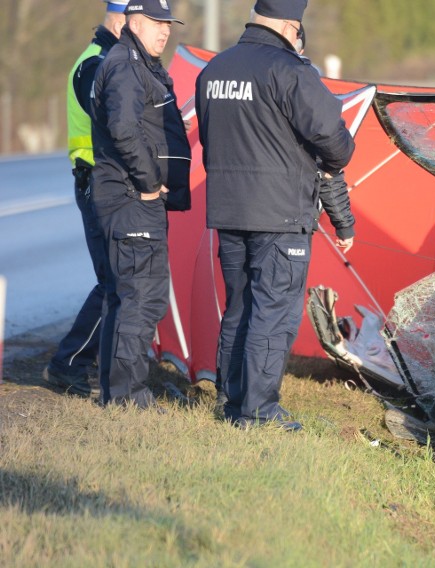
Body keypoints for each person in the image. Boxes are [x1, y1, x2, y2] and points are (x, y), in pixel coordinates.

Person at [195, 0, 355, 430]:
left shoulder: (214, 71)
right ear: (291, 26)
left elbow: (210, 142)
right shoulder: (291, 71)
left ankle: (231, 401)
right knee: (273, 313)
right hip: (280, 214)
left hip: (228, 210)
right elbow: (335, 143)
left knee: (240, 308)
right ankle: (260, 411)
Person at [90, 0, 191, 408]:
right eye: (155, 22)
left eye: (168, 23)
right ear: (132, 20)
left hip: (131, 197)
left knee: (129, 296)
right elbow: (122, 128)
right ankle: (127, 397)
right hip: (131, 198)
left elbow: (137, 123)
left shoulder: (138, 63)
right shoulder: (127, 65)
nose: (164, 31)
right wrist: (150, 182)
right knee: (142, 297)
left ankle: (117, 392)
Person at [43, 1, 129, 398]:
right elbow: (115, 123)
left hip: (103, 182)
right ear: (121, 18)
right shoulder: (95, 63)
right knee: (112, 282)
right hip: (97, 181)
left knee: (115, 280)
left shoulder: (108, 58)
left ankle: (78, 362)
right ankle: (68, 364)